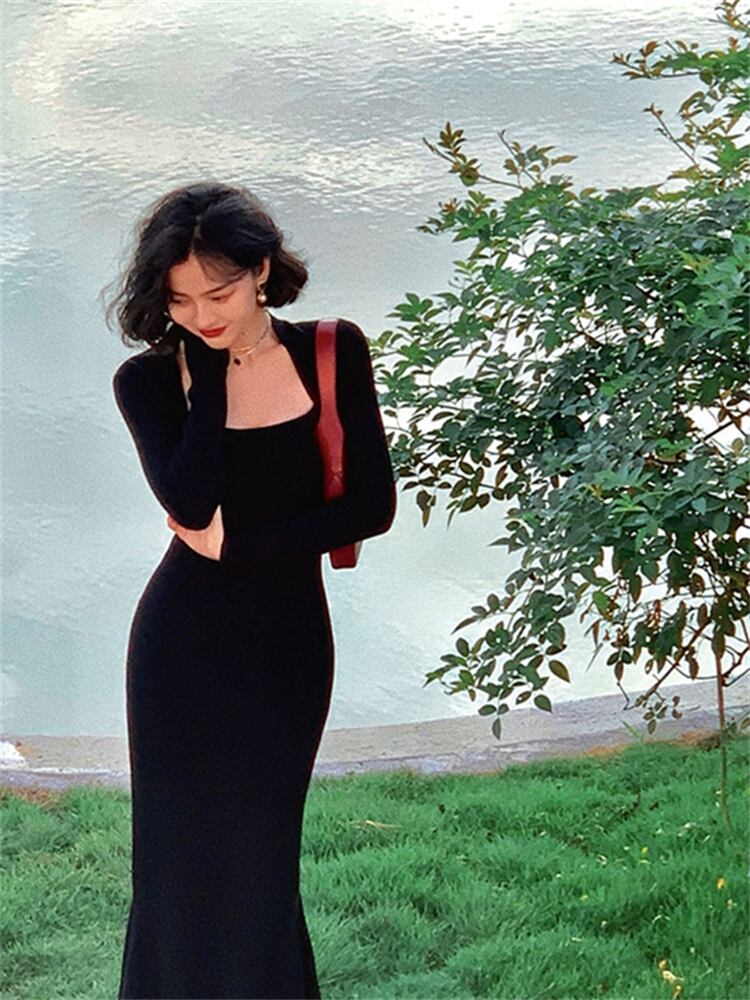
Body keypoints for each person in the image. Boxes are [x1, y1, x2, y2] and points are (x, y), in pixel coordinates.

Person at [105, 181, 397, 999]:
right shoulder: (148, 382)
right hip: (180, 649)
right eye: (180, 300)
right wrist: (207, 377)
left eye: (220, 293)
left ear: (262, 270)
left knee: (263, 861)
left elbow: (371, 506)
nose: (202, 315)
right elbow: (191, 502)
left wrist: (243, 547)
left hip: (287, 648)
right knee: (175, 866)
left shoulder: (333, 353)